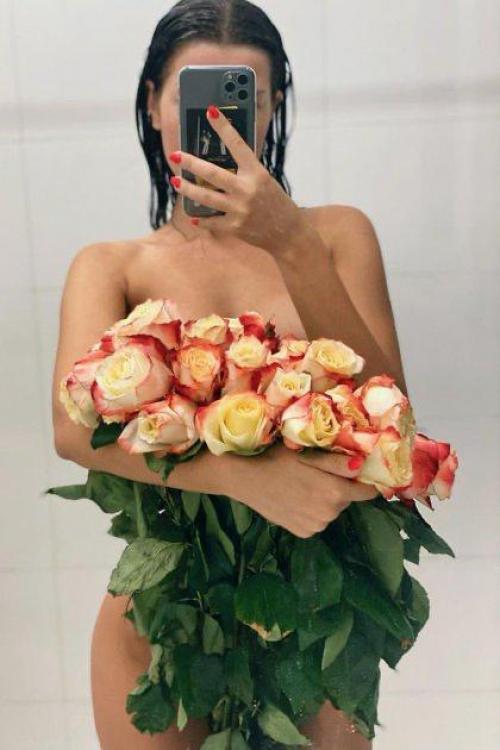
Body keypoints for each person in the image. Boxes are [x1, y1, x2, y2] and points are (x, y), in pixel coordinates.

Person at [51, 1, 409, 748]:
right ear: (155, 103)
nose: (216, 122)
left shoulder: (335, 235)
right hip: (165, 613)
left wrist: (290, 244)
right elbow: (70, 431)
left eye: (243, 97)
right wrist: (242, 477)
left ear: (271, 107)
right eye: (193, 97)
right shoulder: (111, 266)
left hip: (322, 606)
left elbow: (392, 414)